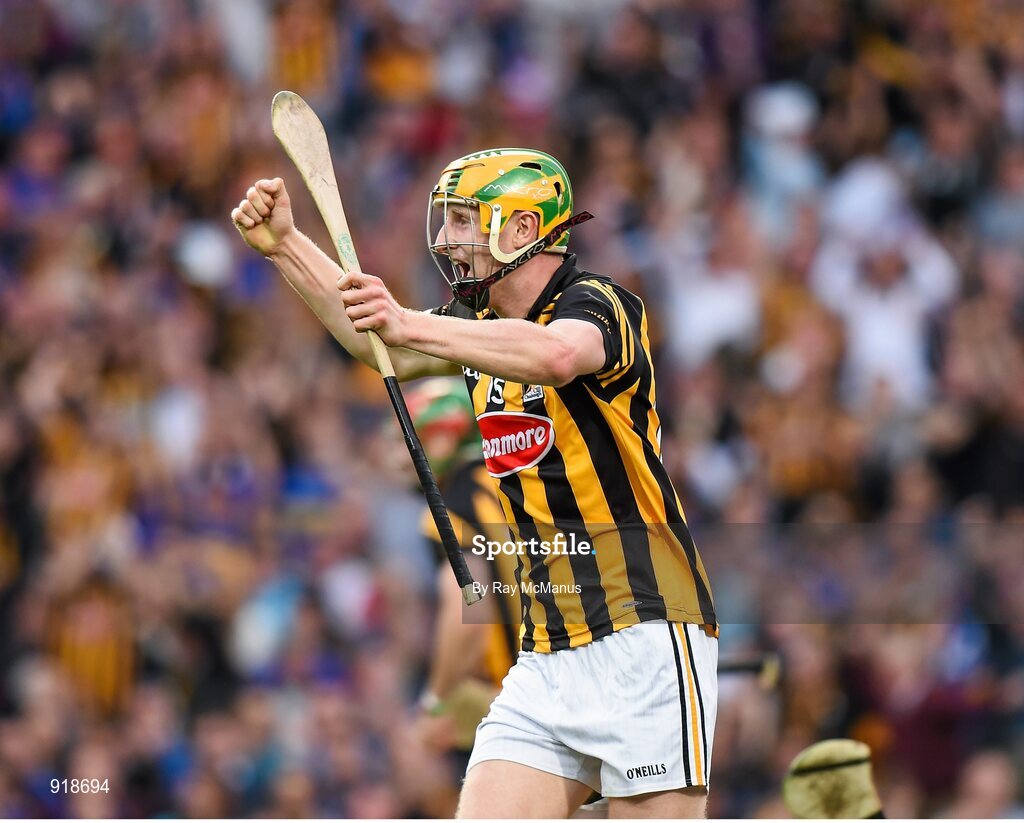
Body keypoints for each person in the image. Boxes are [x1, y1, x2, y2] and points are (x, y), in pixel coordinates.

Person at [231, 148, 717, 818]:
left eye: (466, 221)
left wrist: (409, 323)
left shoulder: (600, 302)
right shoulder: (475, 328)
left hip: (646, 636)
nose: (447, 239)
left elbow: (557, 354)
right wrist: (286, 246)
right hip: (547, 656)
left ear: (522, 229)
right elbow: (378, 342)